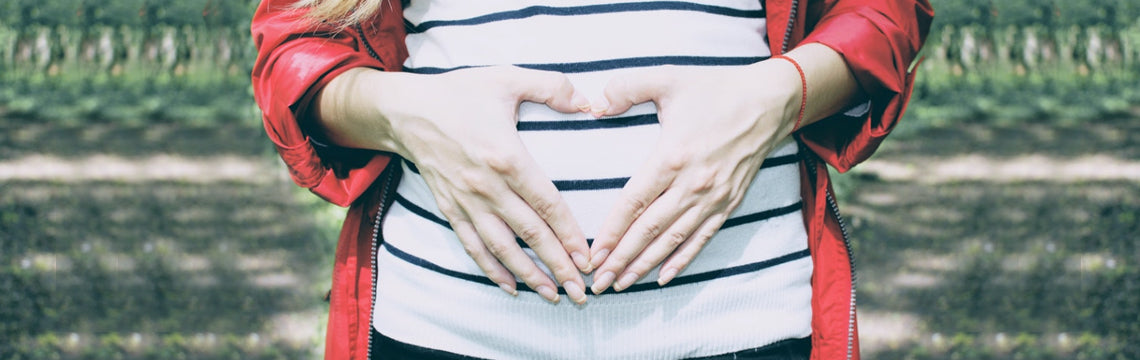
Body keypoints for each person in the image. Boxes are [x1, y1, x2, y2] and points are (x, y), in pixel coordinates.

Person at [251, 0, 932, 359]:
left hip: (743, 328)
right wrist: (402, 112)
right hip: (440, 331)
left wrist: (782, 93)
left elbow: (886, 11)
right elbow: (295, 45)